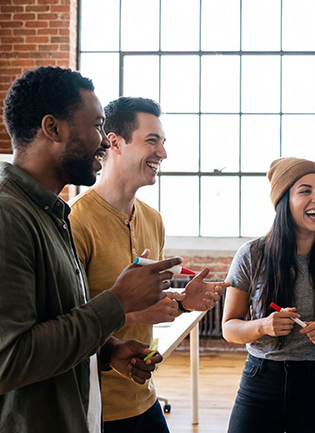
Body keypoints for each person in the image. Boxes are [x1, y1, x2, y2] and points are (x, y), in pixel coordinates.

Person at [0, 66, 180, 433]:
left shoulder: (50, 215)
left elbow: (53, 322)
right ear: (53, 128)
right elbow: (7, 363)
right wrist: (117, 303)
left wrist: (105, 351)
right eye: (97, 125)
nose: (104, 141)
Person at [68, 96, 226, 433]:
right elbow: (68, 324)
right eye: (152, 141)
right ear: (115, 143)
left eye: (163, 143)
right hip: (94, 407)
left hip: (143, 397)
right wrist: (136, 315)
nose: (163, 154)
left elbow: (148, 303)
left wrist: (184, 302)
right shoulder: (75, 222)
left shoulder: (153, 221)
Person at [221, 157, 315, 433]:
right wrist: (263, 325)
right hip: (261, 379)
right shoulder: (252, 255)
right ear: (283, 202)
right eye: (306, 191)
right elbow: (229, 328)